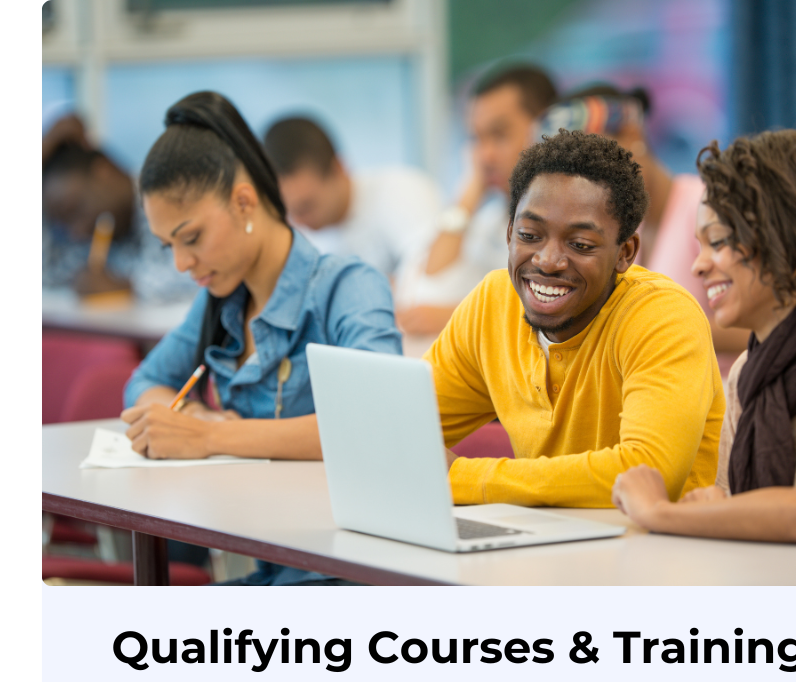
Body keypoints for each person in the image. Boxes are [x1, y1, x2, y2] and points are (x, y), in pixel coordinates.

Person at [121, 91, 402, 584]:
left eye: (191, 238)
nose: (181, 264)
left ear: (244, 201)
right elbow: (147, 380)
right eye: (169, 246)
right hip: (275, 570)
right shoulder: (223, 303)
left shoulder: (347, 286)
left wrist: (211, 436)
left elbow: (374, 425)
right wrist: (194, 416)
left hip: (349, 577)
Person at [427, 129, 725, 507]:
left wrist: (465, 478)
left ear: (626, 251)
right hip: (539, 547)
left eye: (580, 245)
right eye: (529, 235)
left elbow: (649, 471)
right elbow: (397, 425)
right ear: (509, 234)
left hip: (654, 554)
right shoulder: (493, 302)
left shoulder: (663, 317)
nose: (548, 260)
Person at [611, 130, 796, 544]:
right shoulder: (750, 371)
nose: (698, 266)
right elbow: (737, 504)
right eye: (700, 245)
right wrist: (714, 505)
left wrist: (659, 511)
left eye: (717, 241)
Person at [536, 86, 750, 376]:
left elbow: (761, 325)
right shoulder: (618, 231)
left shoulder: (708, 205)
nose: (588, 185)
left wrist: (642, 330)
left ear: (632, 135)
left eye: (595, 164)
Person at [396, 64, 558, 336]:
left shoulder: (571, 219)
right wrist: (468, 194)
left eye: (498, 135)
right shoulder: (492, 219)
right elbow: (426, 289)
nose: (485, 156)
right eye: (476, 139)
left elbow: (557, 310)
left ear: (549, 129)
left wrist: (462, 316)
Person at [262, 116, 441, 287]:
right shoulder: (298, 238)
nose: (299, 222)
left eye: (306, 207)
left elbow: (434, 279)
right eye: (290, 212)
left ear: (338, 169)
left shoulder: (404, 192)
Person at [42, 114, 197, 303]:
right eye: (64, 223)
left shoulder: (170, 194)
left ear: (103, 172)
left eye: (74, 208)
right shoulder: (83, 240)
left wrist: (128, 287)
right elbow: (46, 274)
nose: (76, 231)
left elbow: (200, 269)